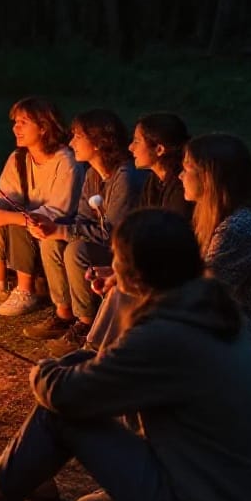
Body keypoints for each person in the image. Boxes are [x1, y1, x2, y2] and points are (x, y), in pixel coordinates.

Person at [0, 209, 251, 501]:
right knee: (84, 365)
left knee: (59, 413)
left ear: (134, 274)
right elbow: (116, 375)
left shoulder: (165, 334)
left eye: (116, 258)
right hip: (237, 498)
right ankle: (29, 471)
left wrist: (43, 370)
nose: (113, 266)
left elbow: (63, 395)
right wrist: (79, 364)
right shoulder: (212, 309)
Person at [77, 112, 192, 356]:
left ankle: (100, 354)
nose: (130, 147)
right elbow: (144, 233)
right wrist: (118, 271)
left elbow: (167, 246)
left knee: (125, 288)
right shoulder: (154, 182)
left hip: (176, 274)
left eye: (137, 141)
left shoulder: (179, 190)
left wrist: (126, 273)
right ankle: (96, 351)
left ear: (159, 148)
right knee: (121, 285)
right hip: (162, 268)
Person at [24, 110, 141, 342]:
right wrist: (53, 226)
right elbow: (83, 219)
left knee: (77, 250)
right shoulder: (92, 175)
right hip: (103, 241)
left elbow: (113, 234)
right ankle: (63, 313)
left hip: (125, 250)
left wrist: (63, 230)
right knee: (52, 241)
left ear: (98, 142)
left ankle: (86, 322)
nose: (71, 142)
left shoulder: (125, 177)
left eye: (77, 136)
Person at [0, 97, 83, 317]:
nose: (15, 128)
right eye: (15, 122)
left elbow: (59, 211)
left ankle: (26, 291)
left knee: (13, 217)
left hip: (56, 228)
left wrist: (10, 216)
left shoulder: (66, 161)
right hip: (29, 223)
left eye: (23, 122)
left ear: (44, 127)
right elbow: (7, 195)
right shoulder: (19, 157)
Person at [181, 133, 251, 348]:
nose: (180, 176)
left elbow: (202, 293)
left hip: (246, 333)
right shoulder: (216, 219)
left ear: (208, 176)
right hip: (223, 319)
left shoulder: (238, 228)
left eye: (187, 169)